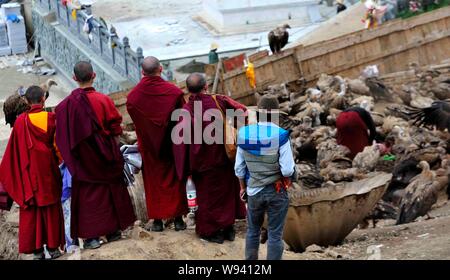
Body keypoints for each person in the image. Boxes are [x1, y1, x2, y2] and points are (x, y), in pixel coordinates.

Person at [55, 61, 135, 250]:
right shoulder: (103, 100)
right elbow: (115, 127)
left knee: (88, 196)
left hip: (82, 160)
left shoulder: (66, 106)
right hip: (105, 156)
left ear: (74, 78)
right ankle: (113, 232)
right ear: (94, 75)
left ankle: (91, 238)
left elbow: (62, 136)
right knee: (110, 191)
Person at [173, 73, 247, 244]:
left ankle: (213, 232)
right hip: (223, 158)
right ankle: (229, 229)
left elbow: (180, 143)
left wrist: (183, 168)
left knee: (208, 199)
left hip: (201, 164)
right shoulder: (218, 100)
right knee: (226, 193)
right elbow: (242, 112)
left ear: (187, 90)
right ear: (206, 86)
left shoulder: (185, 111)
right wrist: (232, 128)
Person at [0, 86, 65, 260]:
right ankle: (53, 249)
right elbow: (59, 148)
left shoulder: (21, 122)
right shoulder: (51, 118)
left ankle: (37, 252)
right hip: (48, 172)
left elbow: (11, 154)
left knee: (33, 210)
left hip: (29, 175)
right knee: (51, 208)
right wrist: (58, 162)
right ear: (44, 99)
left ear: (27, 102)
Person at [127, 56, 188, 232]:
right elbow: (181, 120)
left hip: (148, 146)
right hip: (171, 145)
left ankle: (158, 221)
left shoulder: (133, 98)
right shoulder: (174, 92)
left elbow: (138, 122)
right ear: (160, 69)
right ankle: (178, 220)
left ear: (142, 73)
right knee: (175, 179)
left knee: (153, 183)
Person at [235, 95, 295, 260]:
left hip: (253, 191)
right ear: (275, 114)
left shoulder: (244, 134)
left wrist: (243, 188)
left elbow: (239, 169)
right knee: (275, 234)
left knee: (253, 231)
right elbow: (288, 170)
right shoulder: (281, 135)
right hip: (277, 191)